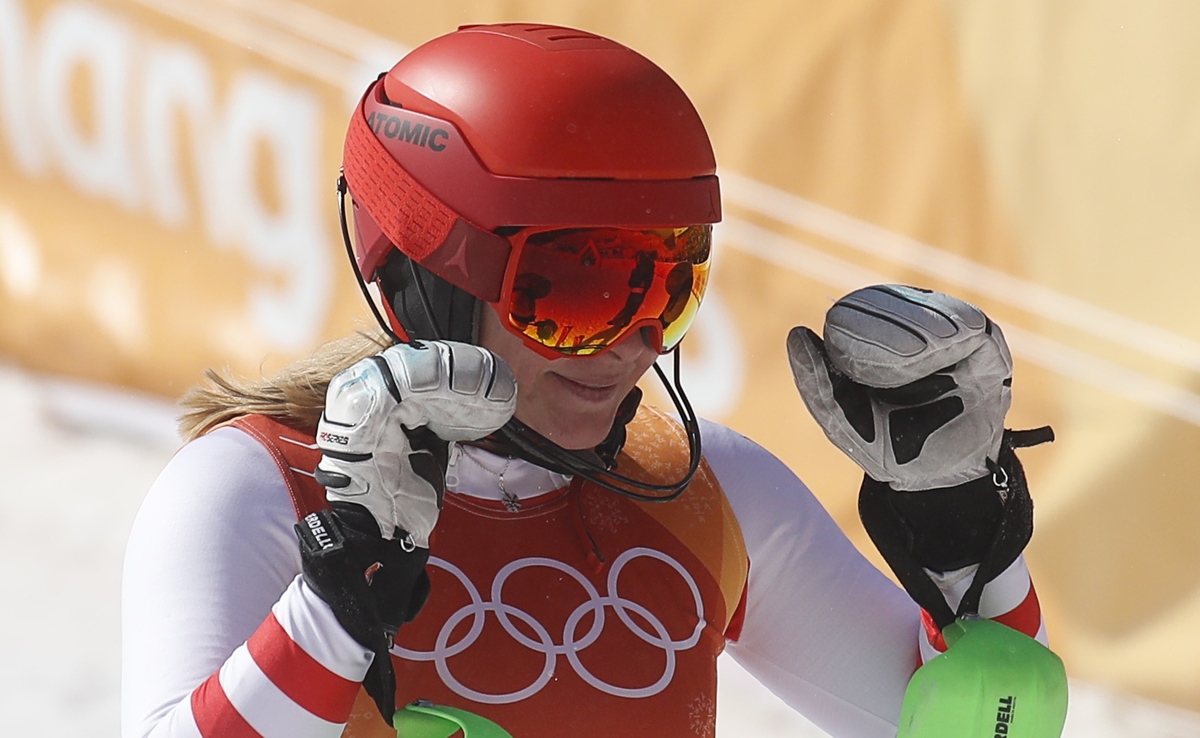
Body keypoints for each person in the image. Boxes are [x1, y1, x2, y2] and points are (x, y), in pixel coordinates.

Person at [121, 23, 1050, 738]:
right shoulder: (255, 490)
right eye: (579, 290)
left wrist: (965, 537)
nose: (632, 346)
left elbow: (988, 729)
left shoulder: (705, 493)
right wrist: (335, 611)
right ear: (433, 277)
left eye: (669, 287)